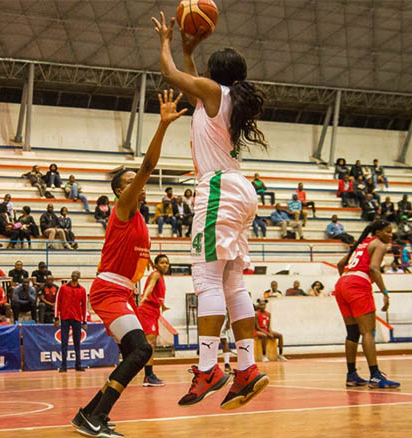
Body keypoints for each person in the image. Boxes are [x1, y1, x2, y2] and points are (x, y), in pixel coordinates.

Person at [155, 15, 269, 410]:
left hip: (218, 189)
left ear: (214, 74)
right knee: (232, 285)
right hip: (240, 189)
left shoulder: (212, 91)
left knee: (205, 278)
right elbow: (192, 87)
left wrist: (168, 42)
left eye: (203, 69)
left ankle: (209, 367)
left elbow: (170, 75)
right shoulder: (222, 99)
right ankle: (248, 367)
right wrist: (190, 51)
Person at [71, 88, 184, 437]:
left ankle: (88, 414)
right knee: (142, 350)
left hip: (122, 292)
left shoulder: (137, 220)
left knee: (133, 355)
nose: (139, 184)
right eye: (130, 181)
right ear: (122, 191)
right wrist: (163, 125)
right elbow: (148, 167)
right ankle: (95, 418)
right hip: (109, 291)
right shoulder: (124, 209)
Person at [334, 220, 400, 388]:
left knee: (352, 333)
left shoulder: (361, 243)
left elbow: (341, 264)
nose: (391, 235)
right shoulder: (379, 244)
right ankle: (375, 375)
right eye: (388, 231)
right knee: (368, 332)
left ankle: (352, 375)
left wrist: (348, 279)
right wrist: (385, 293)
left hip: (342, 283)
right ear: (378, 232)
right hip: (358, 284)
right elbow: (373, 269)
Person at [136, 254, 171, 386]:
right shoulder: (156, 275)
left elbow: (158, 294)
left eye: (167, 263)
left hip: (154, 311)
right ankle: (148, 376)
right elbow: (150, 287)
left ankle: (149, 374)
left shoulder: (161, 278)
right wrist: (144, 296)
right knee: (150, 344)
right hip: (147, 310)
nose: (165, 265)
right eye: (162, 262)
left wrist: (163, 306)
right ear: (156, 265)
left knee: (152, 344)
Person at [55, 271, 88, 373]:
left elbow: (84, 306)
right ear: (71, 276)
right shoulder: (63, 288)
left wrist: (85, 321)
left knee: (77, 342)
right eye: (73, 274)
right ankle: (63, 366)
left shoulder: (82, 289)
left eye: (76, 274)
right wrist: (56, 317)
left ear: (79, 277)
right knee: (64, 342)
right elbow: (57, 302)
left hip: (77, 318)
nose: (74, 276)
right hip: (65, 317)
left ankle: (78, 365)